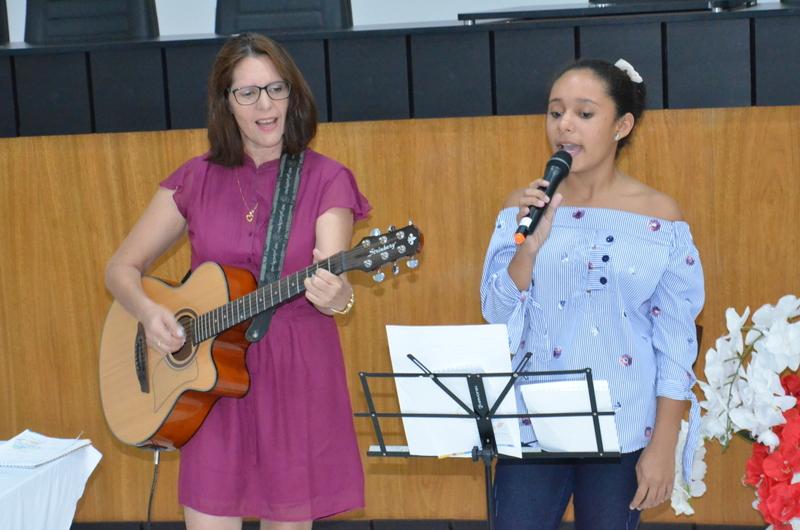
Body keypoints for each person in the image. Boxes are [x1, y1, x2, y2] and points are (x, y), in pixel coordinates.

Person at [105, 33, 370, 530]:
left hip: (294, 380)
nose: (264, 105)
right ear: (225, 103)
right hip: (209, 383)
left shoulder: (327, 179)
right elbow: (120, 269)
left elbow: (333, 273)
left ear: (294, 94)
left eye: (276, 88)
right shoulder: (195, 179)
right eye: (246, 93)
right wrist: (148, 312)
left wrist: (340, 296)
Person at [480, 58, 705, 529]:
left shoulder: (660, 218)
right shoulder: (521, 209)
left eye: (584, 114)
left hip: (622, 434)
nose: (565, 125)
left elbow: (676, 340)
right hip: (533, 426)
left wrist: (662, 446)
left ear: (622, 125)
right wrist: (527, 250)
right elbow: (496, 316)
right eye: (555, 112)